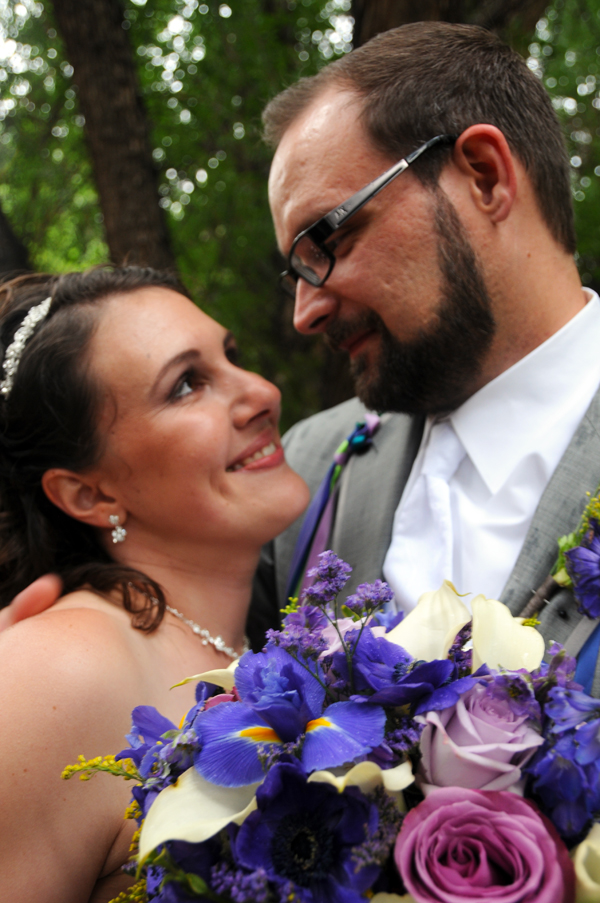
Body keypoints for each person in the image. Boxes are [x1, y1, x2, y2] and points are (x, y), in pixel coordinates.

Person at [249, 21, 600, 696]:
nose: (305, 311)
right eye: (294, 270)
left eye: (327, 238)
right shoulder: (308, 464)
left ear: (485, 176)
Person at [0, 267, 309, 902]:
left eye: (232, 358)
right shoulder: (52, 672)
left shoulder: (266, 644)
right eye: (187, 385)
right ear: (89, 492)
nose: (262, 393)